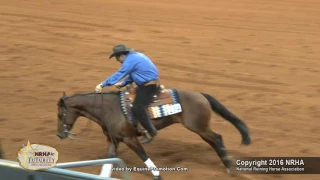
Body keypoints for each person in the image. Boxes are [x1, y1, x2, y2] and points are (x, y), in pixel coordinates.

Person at [95, 44, 159, 139]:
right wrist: (124, 83)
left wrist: (103, 84)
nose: (117, 61)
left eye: (117, 58)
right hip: (146, 84)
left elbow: (120, 73)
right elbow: (135, 74)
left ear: (122, 55)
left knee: (138, 107)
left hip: (149, 86)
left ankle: (151, 131)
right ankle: (139, 130)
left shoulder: (130, 60)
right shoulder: (135, 56)